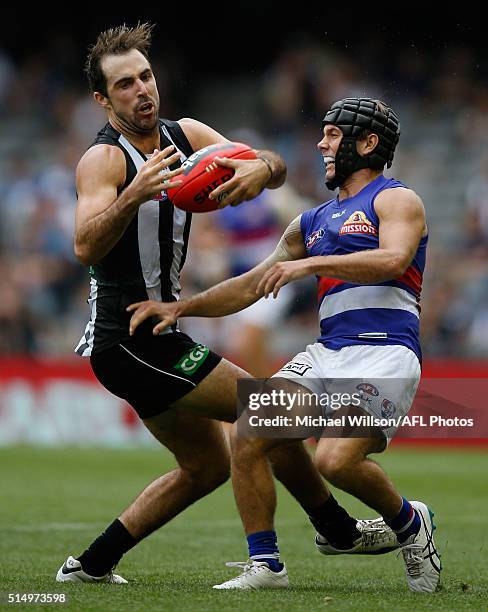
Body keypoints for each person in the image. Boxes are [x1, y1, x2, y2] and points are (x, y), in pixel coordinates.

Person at [56, 26, 396, 585]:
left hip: (157, 333)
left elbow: (272, 163)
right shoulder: (103, 161)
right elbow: (84, 245)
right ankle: (334, 528)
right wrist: (134, 194)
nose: (142, 90)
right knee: (267, 413)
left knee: (207, 465)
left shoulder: (184, 135)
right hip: (127, 338)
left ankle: (90, 565)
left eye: (146, 76)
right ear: (103, 99)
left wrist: (262, 166)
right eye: (124, 85)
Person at [128, 98, 441, 593]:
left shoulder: (397, 200)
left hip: (385, 350)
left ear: (368, 144)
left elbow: (393, 259)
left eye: (334, 135)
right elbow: (255, 283)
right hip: (327, 351)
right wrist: (181, 309)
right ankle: (266, 564)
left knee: (335, 462)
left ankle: (409, 524)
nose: (322, 144)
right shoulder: (312, 221)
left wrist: (309, 266)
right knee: (250, 430)